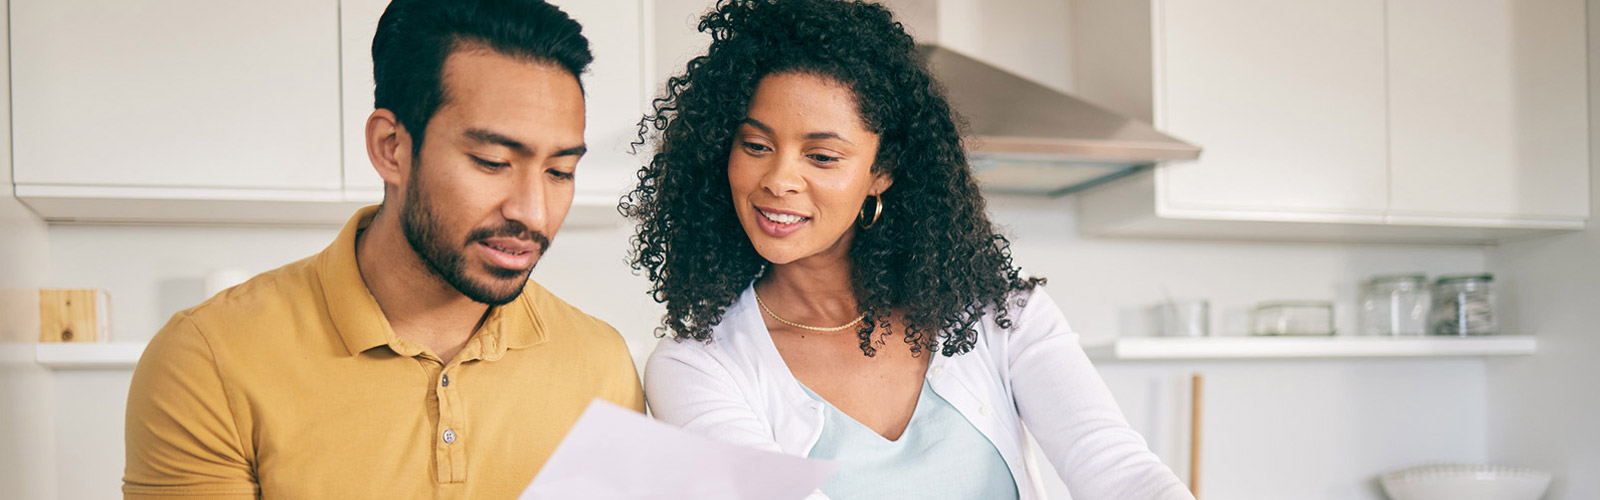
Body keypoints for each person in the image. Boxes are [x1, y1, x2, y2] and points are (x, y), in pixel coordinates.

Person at [625, 1, 1193, 499]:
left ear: (882, 172)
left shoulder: (1003, 317)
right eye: (755, 145)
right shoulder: (697, 366)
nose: (777, 179)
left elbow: (1119, 470)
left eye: (821, 157)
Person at [123, 1, 643, 498]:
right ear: (391, 148)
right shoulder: (209, 359)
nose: (533, 212)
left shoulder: (600, 365)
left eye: (560, 172)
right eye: (491, 161)